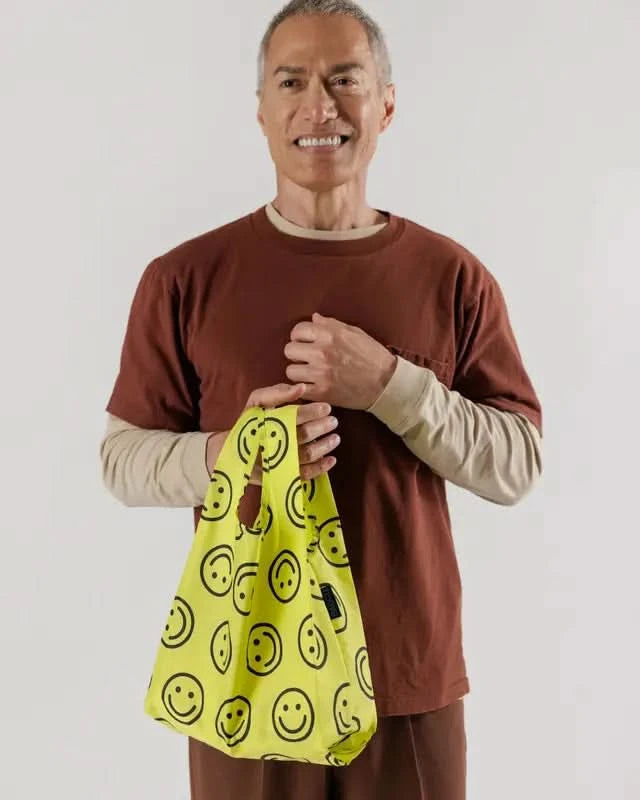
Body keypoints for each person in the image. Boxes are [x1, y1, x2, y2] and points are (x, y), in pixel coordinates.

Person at [100, 1, 543, 798]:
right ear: (262, 112)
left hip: (406, 681)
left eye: (345, 80)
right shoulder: (185, 278)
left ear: (386, 105)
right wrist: (234, 455)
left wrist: (391, 386)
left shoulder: (452, 276)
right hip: (242, 669)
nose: (320, 106)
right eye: (293, 81)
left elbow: (517, 463)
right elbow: (121, 459)